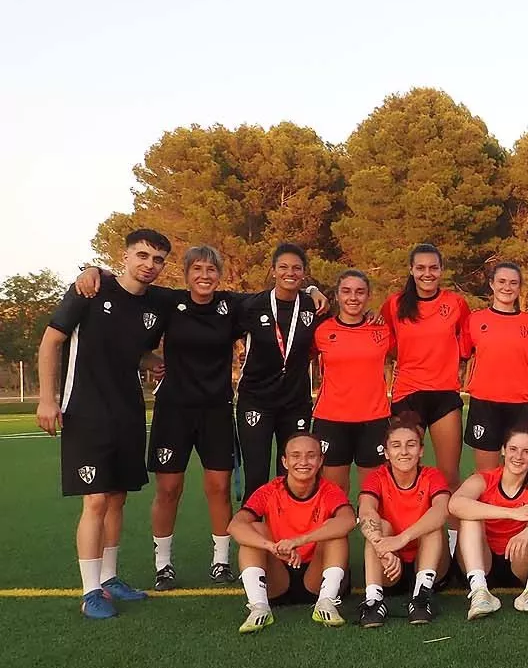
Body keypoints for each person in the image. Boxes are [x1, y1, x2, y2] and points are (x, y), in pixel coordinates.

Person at [73, 248, 328, 586]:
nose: (204, 276)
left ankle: (221, 561)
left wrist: (311, 289)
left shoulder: (232, 305)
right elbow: (130, 289)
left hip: (216, 409)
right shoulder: (168, 301)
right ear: (186, 273)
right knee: (169, 489)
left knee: (219, 487)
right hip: (173, 410)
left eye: (211, 269)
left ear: (219, 274)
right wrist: (95, 270)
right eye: (197, 269)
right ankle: (163, 564)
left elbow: (280, 292)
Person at [37, 229, 172, 619]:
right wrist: (47, 398)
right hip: (86, 410)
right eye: (142, 255)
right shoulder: (91, 289)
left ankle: (110, 579)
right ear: (125, 256)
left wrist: (151, 361)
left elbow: (133, 350)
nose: (149, 265)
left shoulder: (155, 305)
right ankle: (90, 591)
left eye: (157, 260)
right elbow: (51, 342)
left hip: (128, 411)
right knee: (95, 499)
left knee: (116, 497)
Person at [379, 245, 468, 542]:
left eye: (433, 268)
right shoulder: (394, 304)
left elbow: (467, 343)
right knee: (404, 475)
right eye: (421, 268)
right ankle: (402, 543)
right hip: (408, 395)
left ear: (441, 270)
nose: (427, 273)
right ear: (411, 270)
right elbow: (385, 344)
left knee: (449, 476)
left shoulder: (456, 303)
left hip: (444, 395)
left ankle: (453, 548)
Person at [228, 432, 354, 632]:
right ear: (285, 462)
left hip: (315, 575)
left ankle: (326, 602)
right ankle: (259, 607)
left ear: (320, 460)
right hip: (278, 576)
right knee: (255, 529)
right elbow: (235, 525)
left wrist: (299, 541)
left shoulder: (330, 490)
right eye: (295, 456)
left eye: (311, 456)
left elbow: (348, 520)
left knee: (335, 532)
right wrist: (272, 547)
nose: (303, 462)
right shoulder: (270, 490)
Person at [451, 425, 528, 619]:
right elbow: (455, 504)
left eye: (526, 451)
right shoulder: (484, 480)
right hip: (482, 561)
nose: (518, 456)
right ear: (503, 450)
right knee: (470, 518)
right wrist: (512, 513)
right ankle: (479, 593)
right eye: (513, 449)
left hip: (517, 561)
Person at [235, 243, 322, 499]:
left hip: (295, 402)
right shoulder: (252, 305)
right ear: (273, 270)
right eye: (283, 267)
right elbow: (219, 332)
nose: (290, 273)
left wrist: (314, 290)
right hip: (256, 401)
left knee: (292, 476)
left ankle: (288, 524)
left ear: (304, 273)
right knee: (257, 477)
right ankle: (253, 526)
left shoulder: (313, 306)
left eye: (297, 268)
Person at [354, 413, 452, 626]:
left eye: (411, 445)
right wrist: (382, 547)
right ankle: (373, 599)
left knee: (432, 525)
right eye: (396, 446)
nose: (404, 452)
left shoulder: (432, 476)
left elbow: (441, 510)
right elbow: (366, 512)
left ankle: (421, 597)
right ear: (386, 452)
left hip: (429, 561)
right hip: (390, 564)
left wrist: (402, 539)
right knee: (380, 526)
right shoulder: (377, 477)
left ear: (421, 450)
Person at [312, 268, 394, 495]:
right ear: (337, 295)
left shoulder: (382, 329)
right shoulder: (322, 330)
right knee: (335, 493)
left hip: (373, 420)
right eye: (346, 291)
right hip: (331, 420)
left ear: (368, 296)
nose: (353, 297)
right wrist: (311, 290)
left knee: (374, 493)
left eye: (360, 292)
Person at [461, 261, 528, 472]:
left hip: (520, 405)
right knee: (487, 475)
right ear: (491, 284)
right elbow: (460, 355)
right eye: (502, 281)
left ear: (520, 287)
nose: (507, 287)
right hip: (484, 403)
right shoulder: (475, 320)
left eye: (513, 283)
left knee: (521, 474)